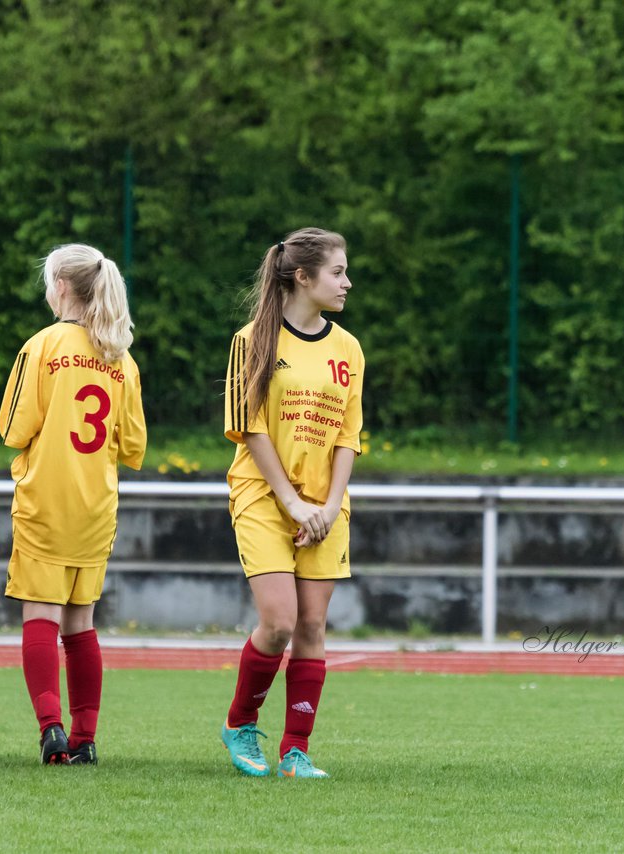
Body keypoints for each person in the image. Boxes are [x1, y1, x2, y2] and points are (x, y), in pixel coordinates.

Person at [219, 227, 363, 779]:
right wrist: (293, 503)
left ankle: (295, 751)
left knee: (312, 628)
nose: (347, 282)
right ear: (303, 278)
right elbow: (249, 429)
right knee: (278, 622)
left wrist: (327, 505)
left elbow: (349, 435)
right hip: (263, 495)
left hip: (324, 504)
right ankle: (240, 724)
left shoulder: (348, 348)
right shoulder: (251, 339)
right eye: (337, 272)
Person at [0, 243, 145, 765]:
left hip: (45, 500)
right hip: (95, 508)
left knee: (41, 617)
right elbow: (133, 446)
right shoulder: (120, 358)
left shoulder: (41, 345)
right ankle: (86, 740)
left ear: (61, 285)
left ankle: (51, 730)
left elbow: (12, 428)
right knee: (80, 624)